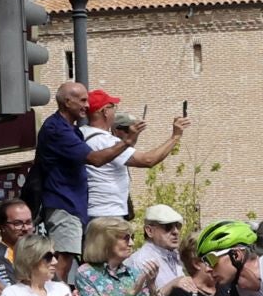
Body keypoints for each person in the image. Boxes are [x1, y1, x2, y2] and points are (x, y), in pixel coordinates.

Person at [34, 82, 136, 280]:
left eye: (87, 101)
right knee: (62, 263)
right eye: (82, 100)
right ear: (67, 101)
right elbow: (95, 159)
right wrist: (127, 142)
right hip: (64, 204)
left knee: (74, 261)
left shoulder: (72, 130)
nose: (86, 106)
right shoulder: (57, 129)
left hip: (74, 206)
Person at [81, 91, 189, 220]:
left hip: (93, 210)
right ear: (105, 111)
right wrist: (175, 136)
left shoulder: (82, 133)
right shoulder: (105, 141)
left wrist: (132, 137)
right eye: (113, 107)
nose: (115, 111)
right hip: (108, 213)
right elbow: (148, 160)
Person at [0, 200, 36, 275]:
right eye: (17, 223)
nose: (25, 228)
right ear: (2, 227)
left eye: (28, 222)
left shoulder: (37, 252)